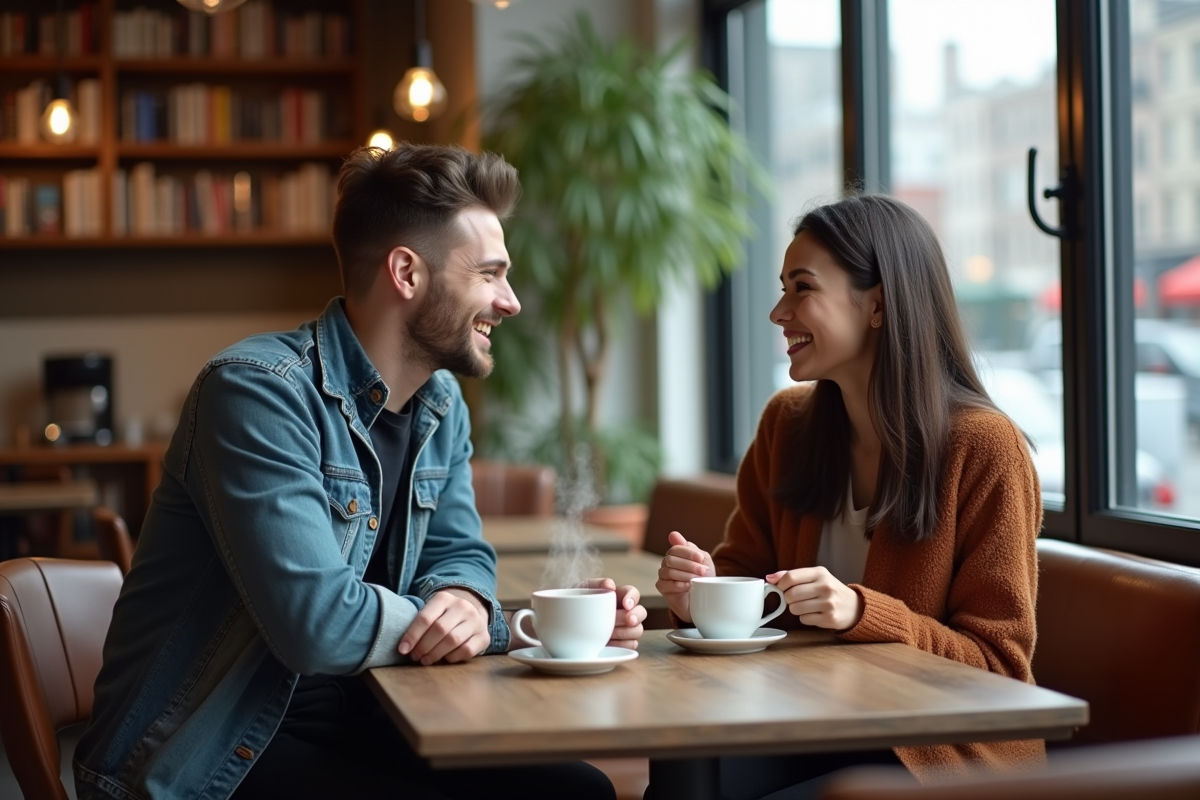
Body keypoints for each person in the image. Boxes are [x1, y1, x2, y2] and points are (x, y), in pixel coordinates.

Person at [74, 143, 646, 800]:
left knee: (576, 792)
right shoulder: (257, 395)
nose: (510, 302)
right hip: (208, 753)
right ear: (407, 272)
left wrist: (462, 598)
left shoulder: (440, 402)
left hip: (364, 714)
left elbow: (459, 550)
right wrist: (509, 625)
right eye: (489, 274)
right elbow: (319, 625)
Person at [655, 194, 1044, 800]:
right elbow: (746, 573)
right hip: (806, 717)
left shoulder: (984, 447)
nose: (778, 312)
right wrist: (701, 591)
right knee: (686, 766)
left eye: (801, 288)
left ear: (879, 306)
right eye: (783, 288)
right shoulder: (787, 424)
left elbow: (998, 667)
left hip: (934, 751)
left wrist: (865, 613)